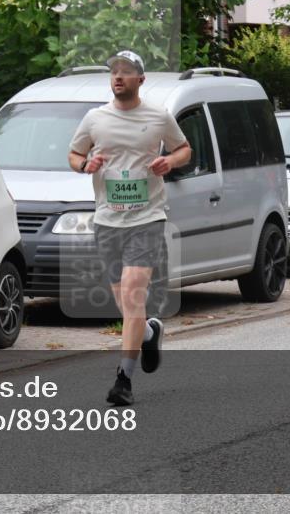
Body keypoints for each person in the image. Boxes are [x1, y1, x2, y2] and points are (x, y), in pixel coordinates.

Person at [68, 50, 192, 406]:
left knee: (134, 292)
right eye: (114, 72)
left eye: (126, 72)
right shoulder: (95, 119)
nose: (118, 76)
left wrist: (169, 159)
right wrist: (85, 165)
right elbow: (74, 155)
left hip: (147, 218)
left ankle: (123, 379)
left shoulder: (158, 116)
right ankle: (150, 331)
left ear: (141, 79)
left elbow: (184, 148)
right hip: (107, 220)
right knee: (126, 305)